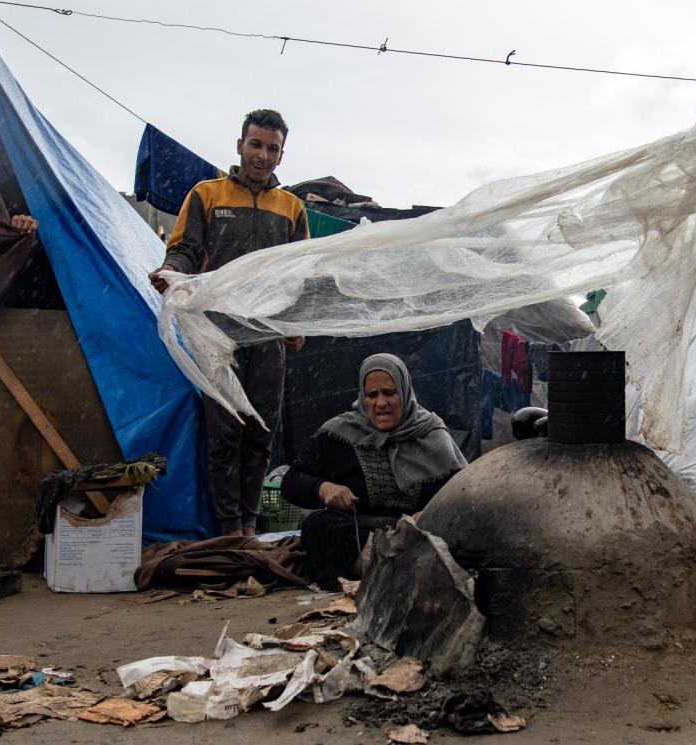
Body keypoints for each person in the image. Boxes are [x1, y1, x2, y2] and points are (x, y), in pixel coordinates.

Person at [149, 109, 310, 537]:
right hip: (216, 331)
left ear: (281, 156)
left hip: (267, 334)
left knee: (261, 429)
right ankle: (227, 528)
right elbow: (185, 250)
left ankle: (250, 525)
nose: (262, 155)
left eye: (271, 148)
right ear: (240, 146)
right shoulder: (207, 194)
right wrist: (170, 270)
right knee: (225, 430)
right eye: (255, 144)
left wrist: (296, 322)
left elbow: (299, 274)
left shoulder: (292, 208)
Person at [282, 354, 467, 589]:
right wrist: (324, 488)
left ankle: (391, 571)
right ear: (363, 397)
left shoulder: (432, 434)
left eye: (389, 393)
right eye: (372, 395)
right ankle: (393, 570)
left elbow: (464, 491)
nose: (381, 403)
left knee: (456, 532)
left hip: (419, 533)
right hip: (362, 533)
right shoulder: (340, 433)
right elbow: (291, 482)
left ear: (404, 391)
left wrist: (431, 512)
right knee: (319, 525)